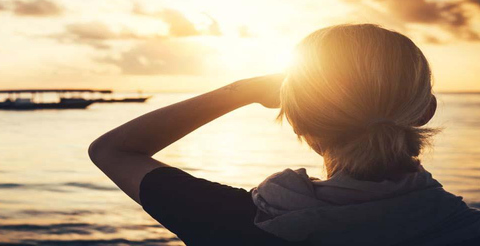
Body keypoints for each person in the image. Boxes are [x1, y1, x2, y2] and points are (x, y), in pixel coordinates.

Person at [89, 24, 480, 245]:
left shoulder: (238, 221)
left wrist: (243, 90)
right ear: (426, 111)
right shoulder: (466, 228)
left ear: (296, 120)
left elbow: (112, 150)